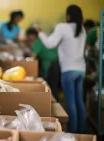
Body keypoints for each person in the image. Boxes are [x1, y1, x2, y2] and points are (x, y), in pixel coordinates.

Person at [36, 5, 86, 133]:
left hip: (68, 70)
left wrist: (40, 32)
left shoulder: (62, 27)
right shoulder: (82, 30)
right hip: (81, 69)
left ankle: (73, 134)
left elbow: (50, 44)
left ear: (68, 15)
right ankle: (83, 131)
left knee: (71, 103)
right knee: (79, 101)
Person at [27, 27, 60, 102]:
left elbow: (33, 56)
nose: (28, 39)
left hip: (49, 65)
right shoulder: (45, 39)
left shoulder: (37, 41)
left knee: (49, 86)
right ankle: (55, 103)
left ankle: (51, 104)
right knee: (54, 86)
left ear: (32, 35)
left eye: (28, 36)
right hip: (57, 63)